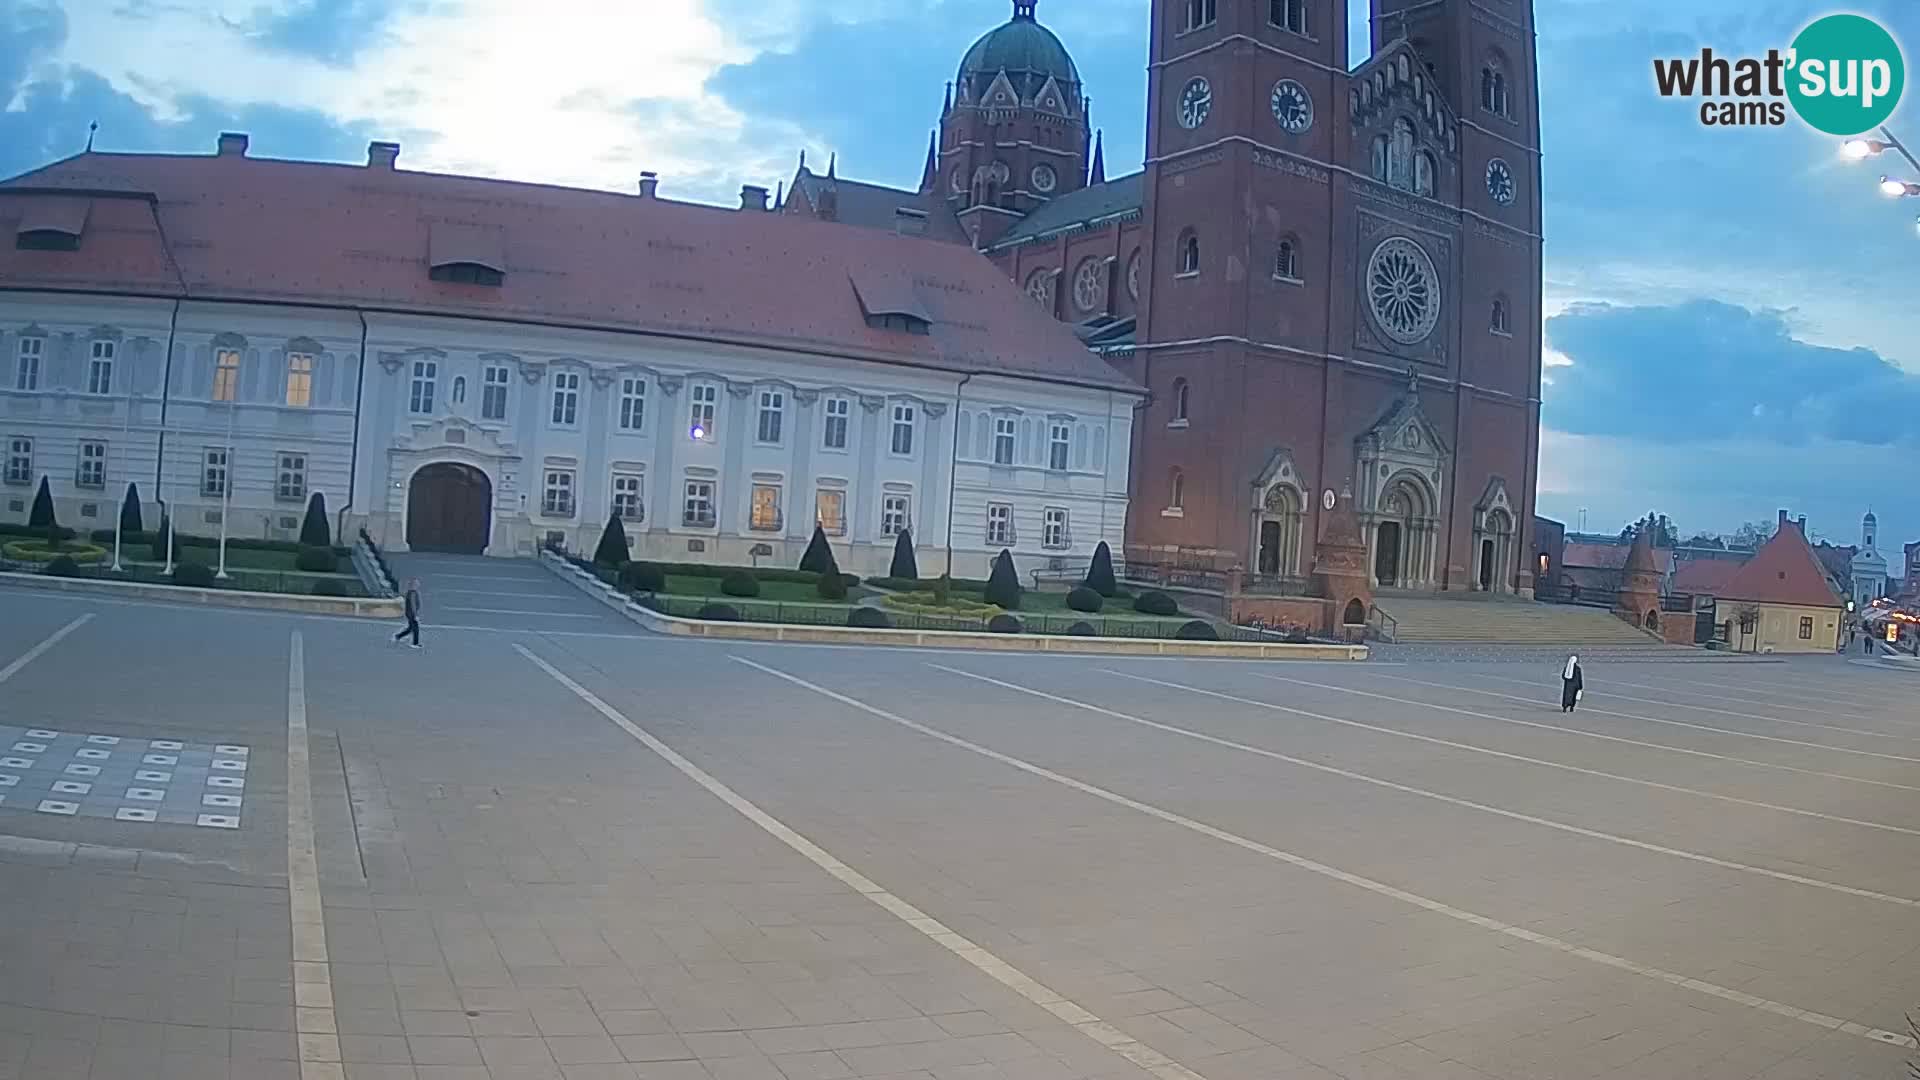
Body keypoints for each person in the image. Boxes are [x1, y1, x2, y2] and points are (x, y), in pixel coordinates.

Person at [392, 578, 423, 649]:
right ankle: (415, 643)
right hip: (411, 614)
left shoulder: (412, 592)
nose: (418, 584)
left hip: (410, 613)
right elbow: (413, 605)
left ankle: (398, 636)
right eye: (416, 583)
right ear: (413, 585)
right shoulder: (412, 593)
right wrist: (415, 615)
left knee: (410, 628)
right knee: (415, 628)